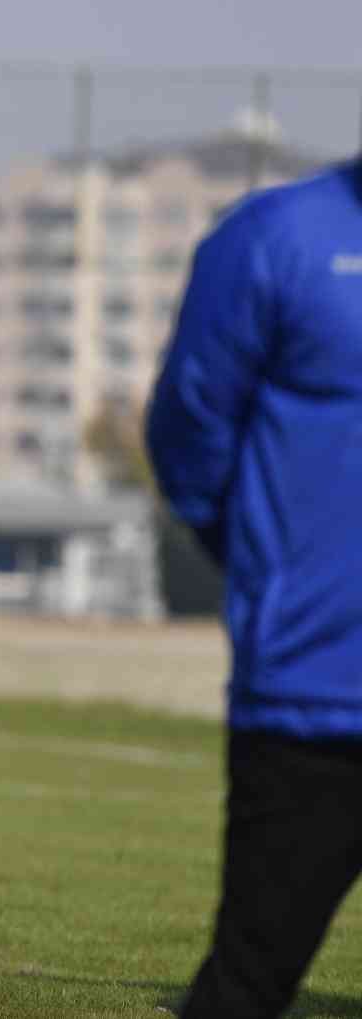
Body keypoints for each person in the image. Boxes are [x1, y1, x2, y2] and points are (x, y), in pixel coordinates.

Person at [148, 156, 362, 1018]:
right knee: (248, 981)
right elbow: (188, 430)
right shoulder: (274, 238)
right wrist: (271, 564)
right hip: (311, 697)